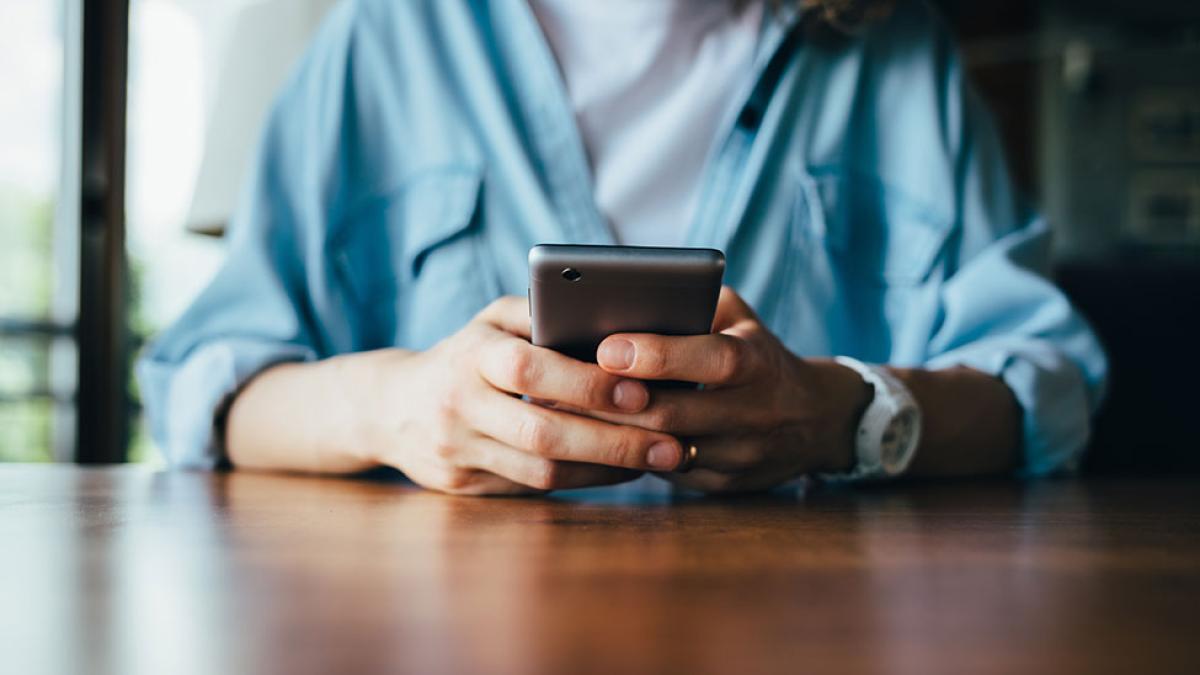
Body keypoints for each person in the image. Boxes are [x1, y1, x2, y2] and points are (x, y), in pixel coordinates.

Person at [138, 0, 1108, 495]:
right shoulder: (390, 35)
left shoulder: (896, 54)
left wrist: (844, 415)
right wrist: (394, 408)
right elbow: (203, 391)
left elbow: (1045, 390)